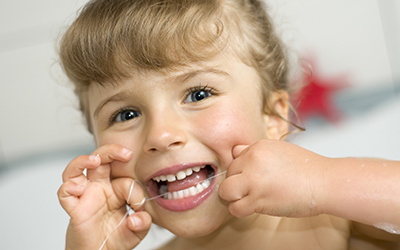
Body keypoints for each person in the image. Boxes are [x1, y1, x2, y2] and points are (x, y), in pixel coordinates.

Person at [57, 0, 400, 249]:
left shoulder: (341, 222)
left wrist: (324, 183)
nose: (161, 135)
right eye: (126, 115)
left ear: (273, 116)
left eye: (198, 94)